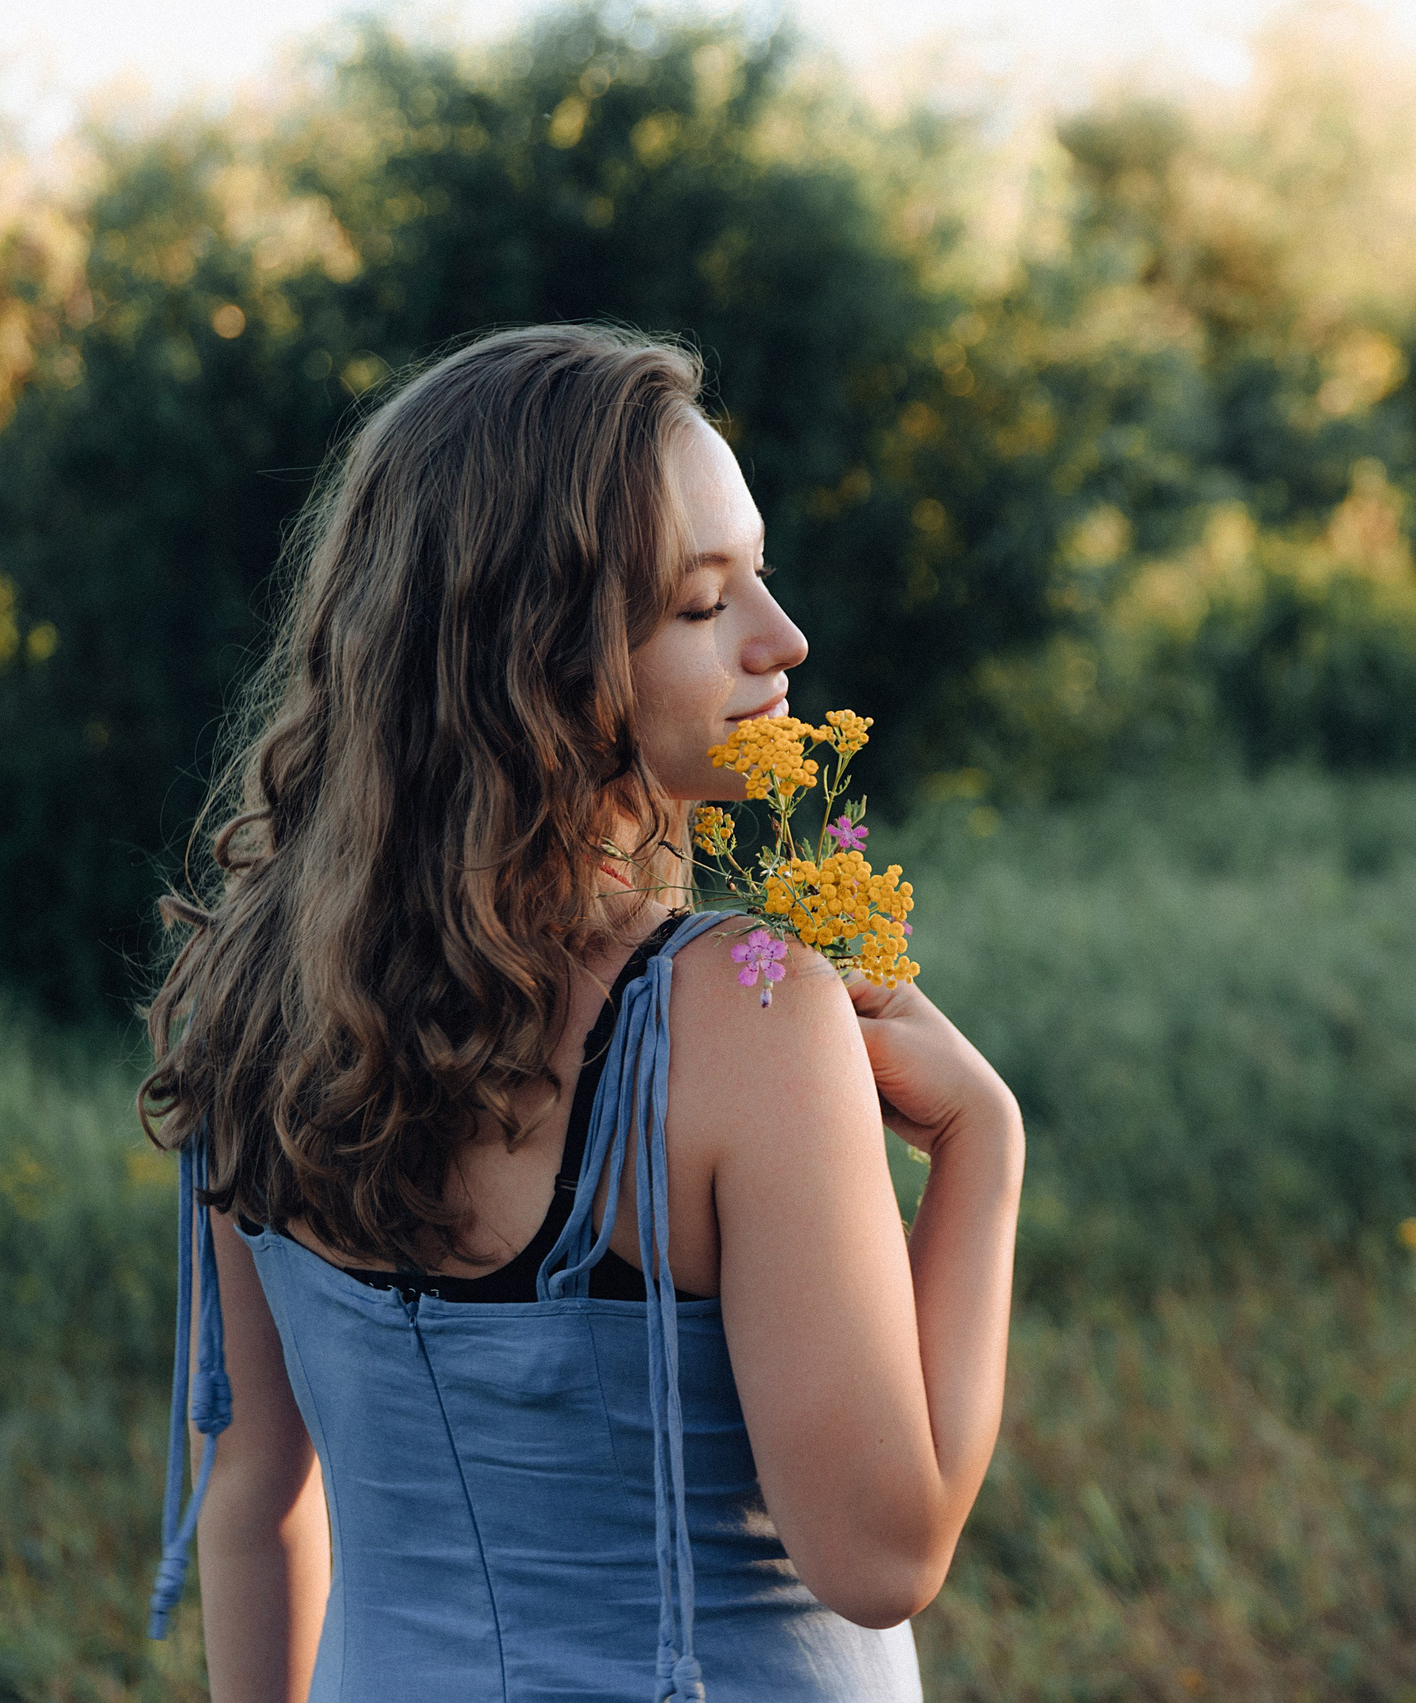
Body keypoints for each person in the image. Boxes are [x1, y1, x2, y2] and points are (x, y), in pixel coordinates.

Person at [134, 323, 1025, 1703]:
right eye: (697, 603)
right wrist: (984, 1142)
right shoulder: (737, 1013)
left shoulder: (247, 998)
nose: (781, 640)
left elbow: (259, 1492)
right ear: (529, 654)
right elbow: (881, 1555)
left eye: (760, 578)